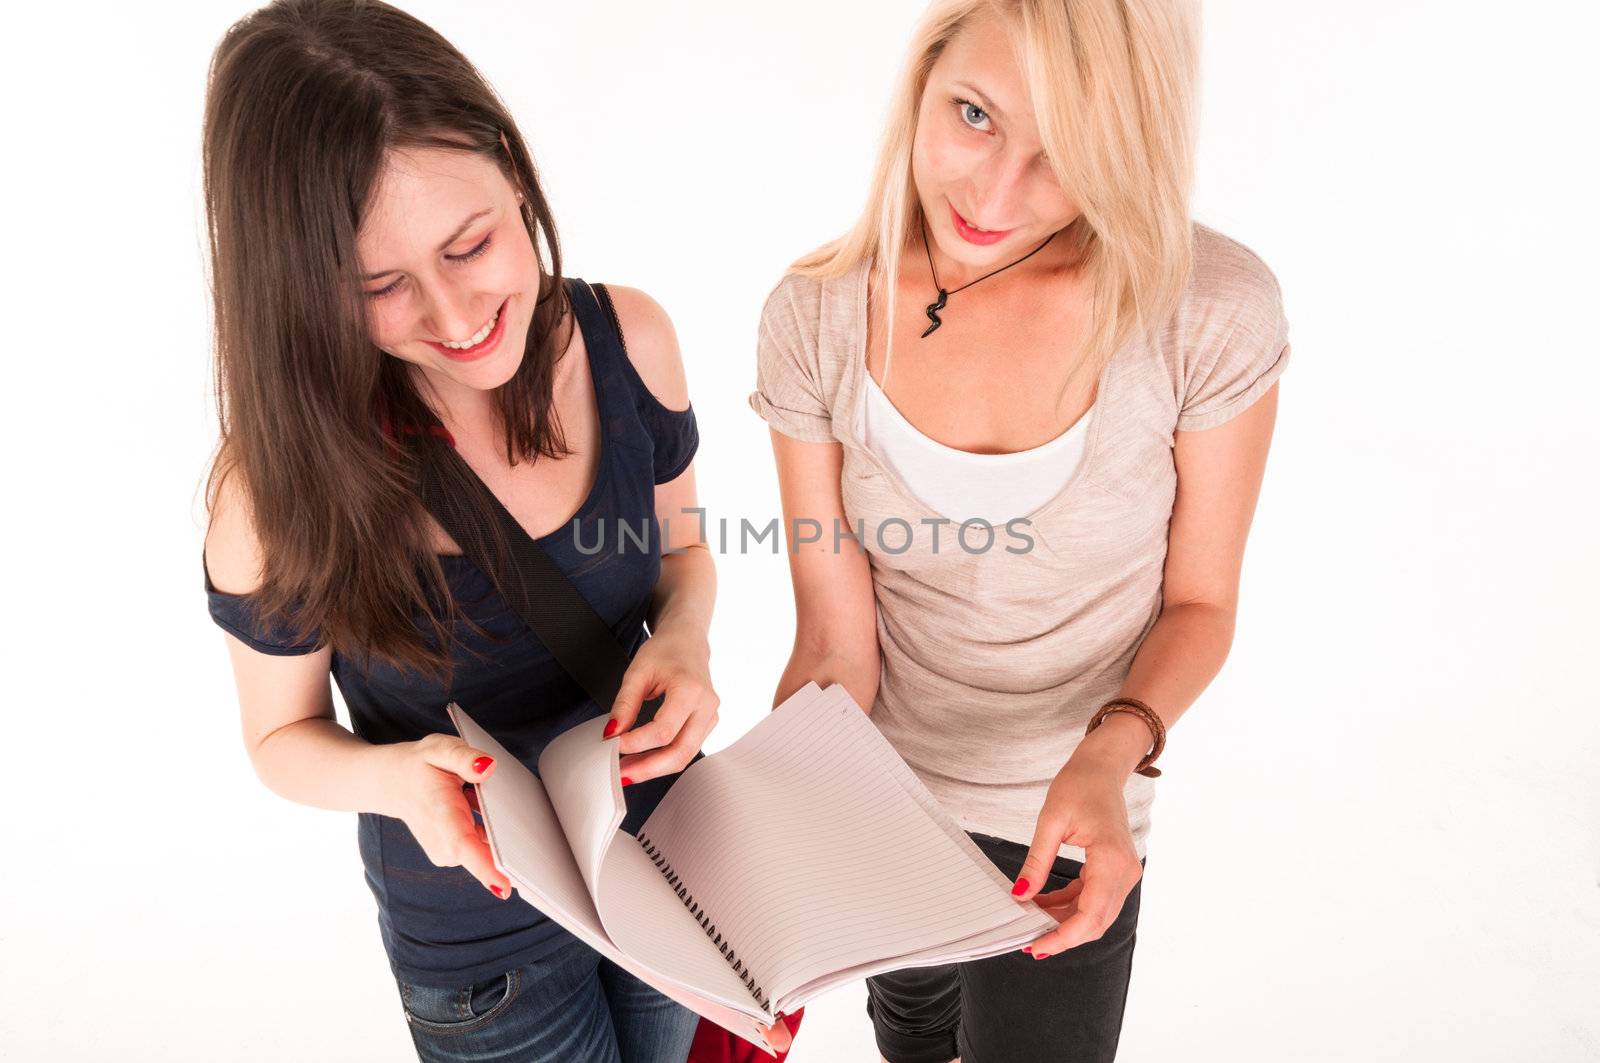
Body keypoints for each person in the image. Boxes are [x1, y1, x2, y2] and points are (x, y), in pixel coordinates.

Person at [196, 1, 759, 1058]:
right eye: (381, 288)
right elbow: (279, 739)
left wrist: (684, 642)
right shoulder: (274, 491)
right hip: (481, 947)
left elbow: (683, 555)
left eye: (471, 244)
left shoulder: (628, 340)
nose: (457, 319)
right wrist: (390, 777)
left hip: (666, 862)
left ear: (508, 163)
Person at [748, 1, 1289, 1060]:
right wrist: (781, 831)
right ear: (923, 76)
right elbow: (830, 638)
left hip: (1073, 811)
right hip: (883, 803)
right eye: (974, 114)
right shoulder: (812, 314)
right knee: (911, 1027)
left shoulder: (1207, 309)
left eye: (1065, 154)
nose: (993, 196)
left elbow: (1201, 602)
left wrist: (1111, 752)